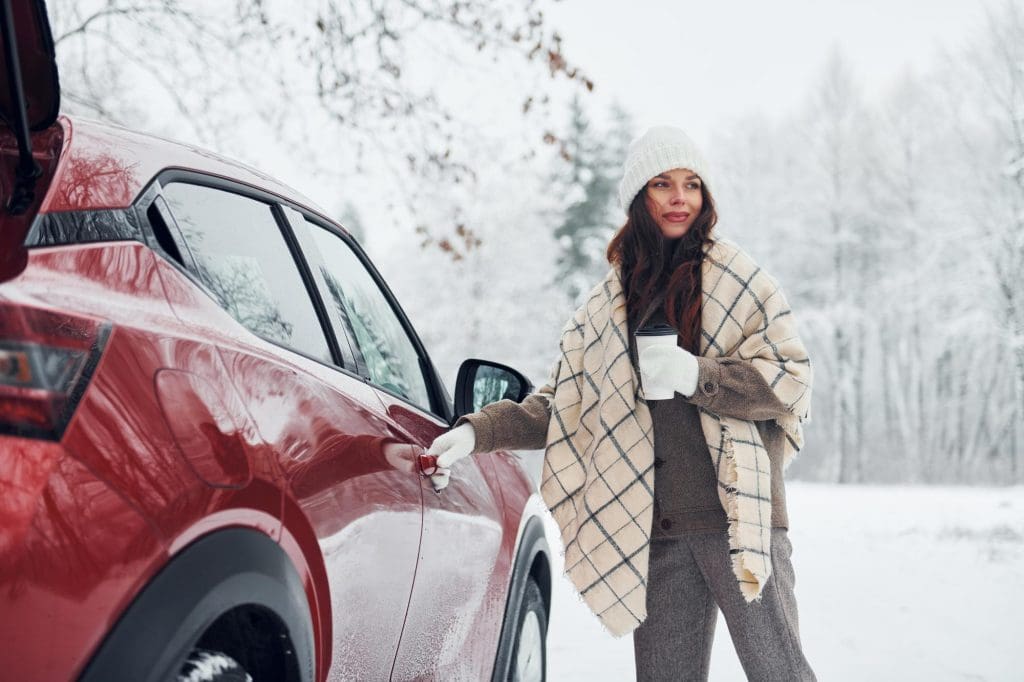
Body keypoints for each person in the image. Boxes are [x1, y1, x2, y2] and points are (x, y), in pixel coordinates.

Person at [427, 126, 816, 681]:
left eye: (692, 185)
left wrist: (696, 375)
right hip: (658, 525)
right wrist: (476, 432)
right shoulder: (609, 303)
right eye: (663, 184)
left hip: (740, 518)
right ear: (640, 196)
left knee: (781, 674)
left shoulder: (741, 281)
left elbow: (787, 379)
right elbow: (562, 404)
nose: (680, 197)